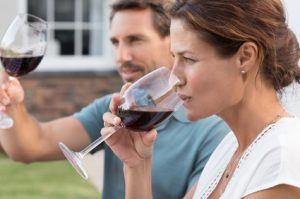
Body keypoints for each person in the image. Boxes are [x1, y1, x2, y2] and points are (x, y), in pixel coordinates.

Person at [0, 0, 229, 198]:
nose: (122, 57)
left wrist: (137, 166)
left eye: (135, 40)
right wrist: (11, 104)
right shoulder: (117, 107)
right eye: (115, 43)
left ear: (173, 41)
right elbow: (30, 147)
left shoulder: (215, 132)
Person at [102, 0, 300, 198]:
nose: (174, 78)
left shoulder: (280, 161)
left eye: (188, 59)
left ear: (245, 57)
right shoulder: (229, 150)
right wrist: (137, 166)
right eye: (174, 58)